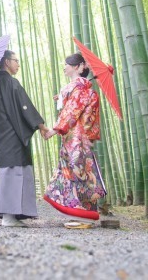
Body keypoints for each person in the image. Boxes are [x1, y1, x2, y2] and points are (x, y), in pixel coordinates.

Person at [0, 50, 50, 227]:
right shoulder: (11, 83)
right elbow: (25, 107)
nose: (18, 64)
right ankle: (8, 217)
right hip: (12, 135)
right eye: (15, 61)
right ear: (6, 62)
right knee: (13, 172)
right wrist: (41, 126)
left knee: (1, 173)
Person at [42, 52, 106, 221]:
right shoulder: (82, 89)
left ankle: (79, 212)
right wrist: (63, 97)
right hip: (78, 137)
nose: (64, 67)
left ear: (77, 67)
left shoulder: (80, 88)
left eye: (67, 64)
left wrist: (53, 130)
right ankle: (83, 212)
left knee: (75, 170)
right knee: (79, 170)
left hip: (75, 138)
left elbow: (71, 113)